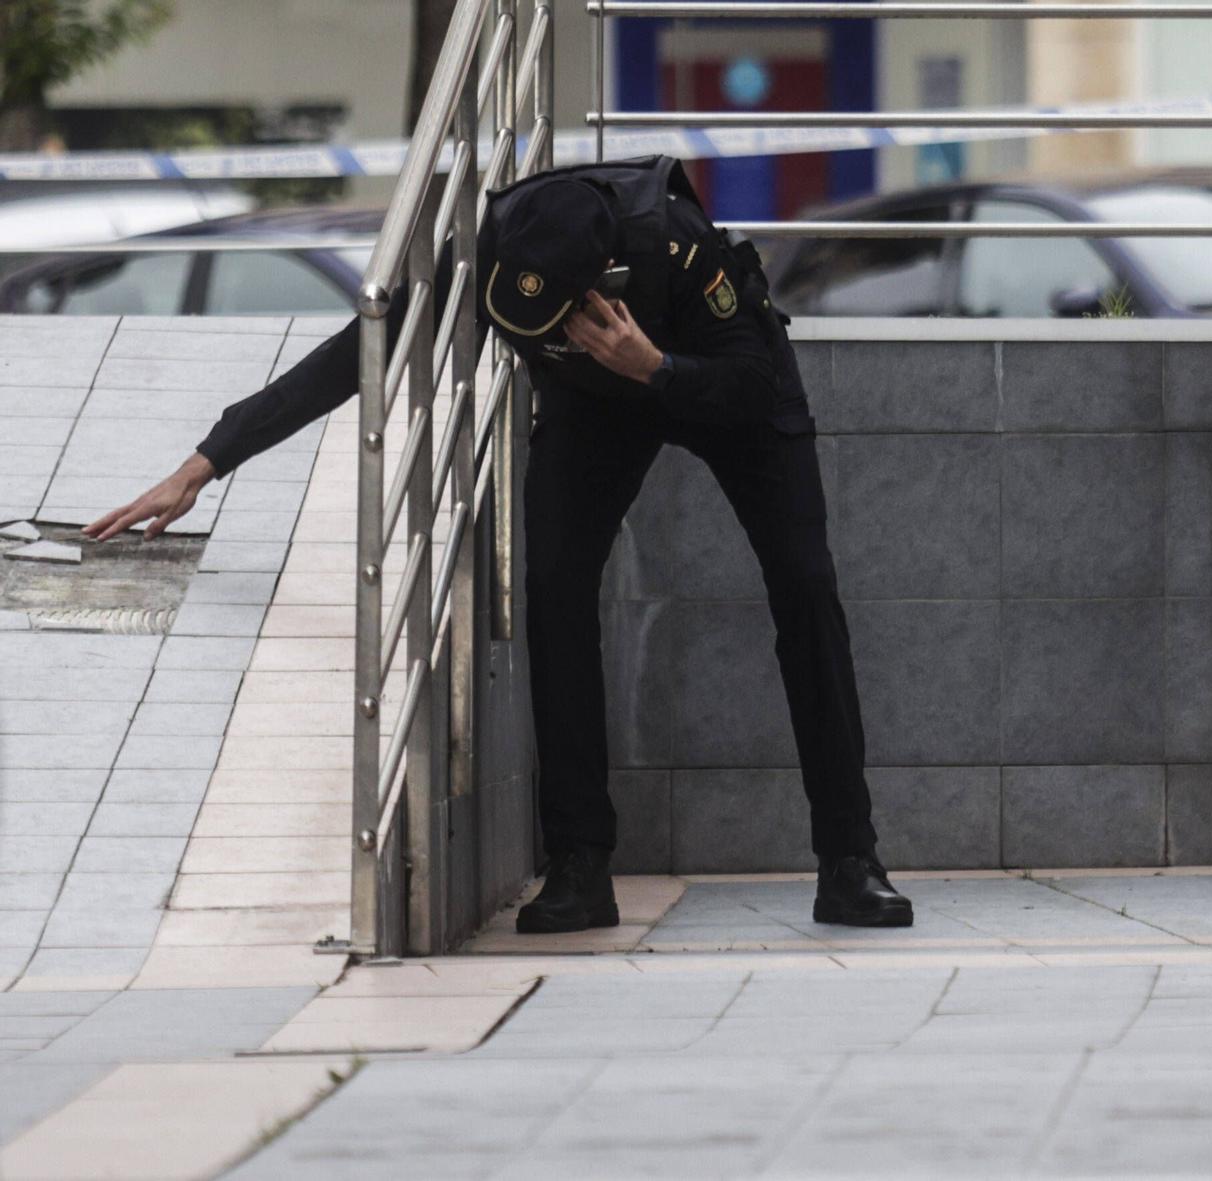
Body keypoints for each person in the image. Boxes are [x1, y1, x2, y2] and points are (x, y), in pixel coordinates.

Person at [85, 155, 913, 933]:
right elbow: (354, 356)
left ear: (603, 280)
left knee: (805, 590)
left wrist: (655, 365)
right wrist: (204, 463)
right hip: (599, 400)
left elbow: (754, 382)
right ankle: (580, 865)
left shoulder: (678, 250)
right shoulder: (489, 257)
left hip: (715, 379)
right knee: (552, 585)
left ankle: (849, 859)